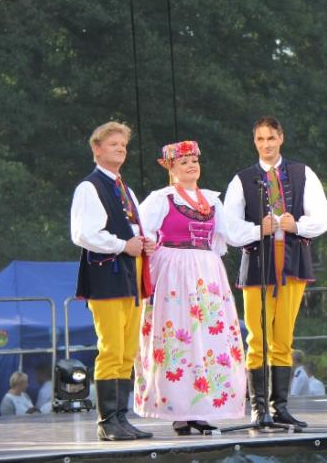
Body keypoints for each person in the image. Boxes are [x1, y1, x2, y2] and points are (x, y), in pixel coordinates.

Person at [223, 116, 327, 427]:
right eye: (260, 139)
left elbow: (324, 218)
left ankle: (280, 408)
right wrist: (258, 229)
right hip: (258, 265)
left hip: (292, 263)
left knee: (283, 337)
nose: (266, 145)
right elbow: (229, 229)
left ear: (281, 138)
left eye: (271, 138)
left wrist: (296, 224)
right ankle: (258, 410)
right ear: (254, 142)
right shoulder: (242, 179)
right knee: (257, 337)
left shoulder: (302, 173)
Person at [134, 140, 247, 435]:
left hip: (206, 273)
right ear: (170, 167)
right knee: (177, 337)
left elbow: (232, 234)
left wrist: (264, 228)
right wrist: (147, 244)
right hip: (173, 272)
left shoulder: (211, 201)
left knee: (207, 339)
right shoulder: (162, 199)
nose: (191, 166)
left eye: (194, 161)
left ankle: (203, 408)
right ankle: (178, 409)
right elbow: (141, 230)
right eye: (183, 162)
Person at [71, 121, 154, 441]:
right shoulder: (89, 187)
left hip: (131, 276)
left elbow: (131, 230)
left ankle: (121, 418)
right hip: (107, 277)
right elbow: (83, 234)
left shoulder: (125, 189)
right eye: (113, 144)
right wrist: (123, 245)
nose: (120, 149)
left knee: (127, 350)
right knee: (111, 349)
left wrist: (143, 243)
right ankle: (107, 421)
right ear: (97, 149)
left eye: (123, 145)